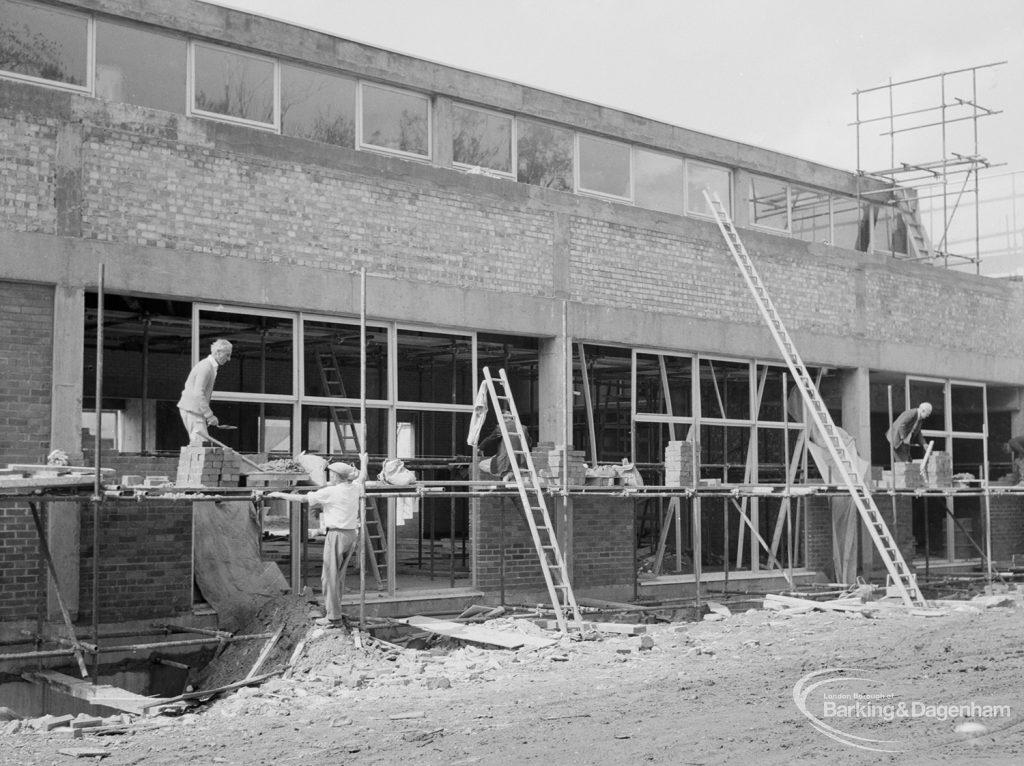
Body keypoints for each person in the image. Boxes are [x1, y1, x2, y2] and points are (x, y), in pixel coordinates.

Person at [268, 453, 368, 628]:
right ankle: (334, 610)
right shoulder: (354, 488)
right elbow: (362, 477)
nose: (329, 476)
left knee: (328, 577)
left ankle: (333, 617)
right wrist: (364, 461)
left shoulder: (331, 491)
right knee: (338, 576)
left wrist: (279, 494)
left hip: (336, 535)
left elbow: (303, 498)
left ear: (336, 476)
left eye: (331, 474)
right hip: (351, 534)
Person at [177, 338, 232, 446]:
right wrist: (209, 415)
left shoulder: (209, 367)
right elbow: (198, 393)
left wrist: (206, 414)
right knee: (201, 445)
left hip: (194, 410)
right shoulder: (206, 367)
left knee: (199, 445)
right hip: (192, 410)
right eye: (227, 355)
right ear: (218, 352)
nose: (229, 359)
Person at [479, 410, 531, 480]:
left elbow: (490, 439)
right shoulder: (524, 428)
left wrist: (480, 447)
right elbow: (529, 443)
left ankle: (506, 474)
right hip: (522, 462)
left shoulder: (502, 427)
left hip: (506, 461)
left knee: (482, 464)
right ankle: (510, 475)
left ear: (502, 418)